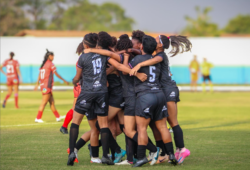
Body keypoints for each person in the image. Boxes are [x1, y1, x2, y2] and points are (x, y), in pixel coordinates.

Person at [130, 34, 192, 164]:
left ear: (159, 45)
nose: (154, 40)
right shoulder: (156, 56)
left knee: (171, 123)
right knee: (162, 125)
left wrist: (138, 64)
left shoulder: (160, 56)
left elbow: (153, 61)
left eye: (156, 40)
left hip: (167, 90)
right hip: (162, 91)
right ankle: (167, 154)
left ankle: (181, 149)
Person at [34, 49, 69, 123]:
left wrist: (37, 84)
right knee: (44, 102)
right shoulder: (50, 64)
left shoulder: (43, 64)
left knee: (52, 102)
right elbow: (55, 73)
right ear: (49, 56)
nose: (53, 57)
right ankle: (38, 118)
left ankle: (57, 117)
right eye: (53, 56)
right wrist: (64, 80)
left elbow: (39, 75)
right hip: (47, 86)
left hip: (43, 86)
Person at [60, 41, 84, 135]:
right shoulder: (82, 59)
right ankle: (65, 126)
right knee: (76, 108)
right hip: (80, 86)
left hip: (79, 86)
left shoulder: (82, 58)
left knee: (75, 108)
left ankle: (64, 126)